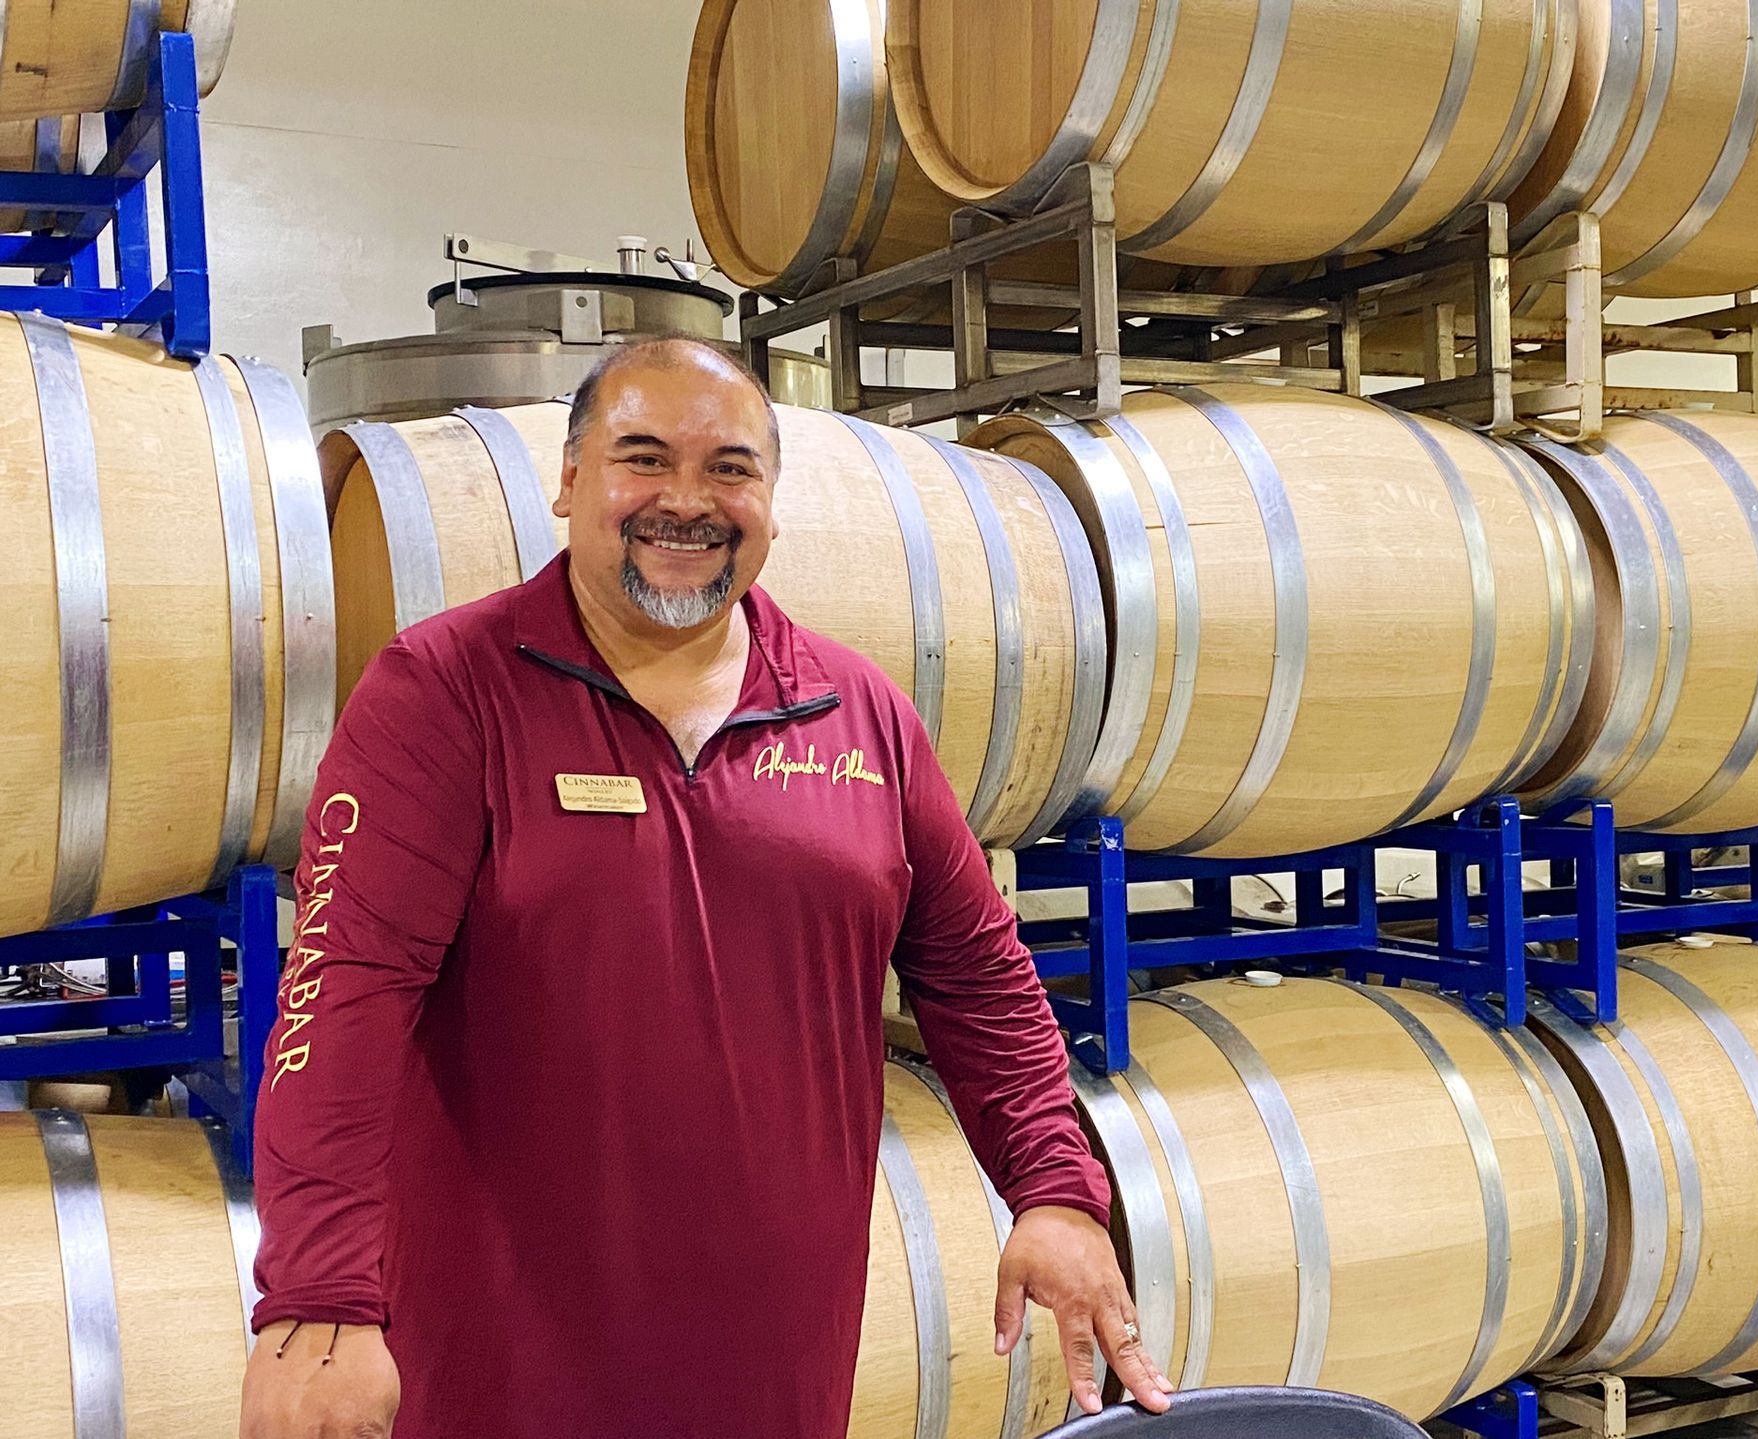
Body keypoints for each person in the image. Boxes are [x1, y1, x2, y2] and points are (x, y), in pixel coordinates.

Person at [238, 337, 1173, 1438]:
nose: (686, 500)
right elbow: (343, 993)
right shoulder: (445, 693)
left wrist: (1054, 1183)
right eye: (643, 457)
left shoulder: (856, 712)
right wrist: (316, 1297)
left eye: (729, 468)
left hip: (778, 1368)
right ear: (570, 480)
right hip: (498, 1372)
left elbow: (979, 973)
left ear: (772, 501)